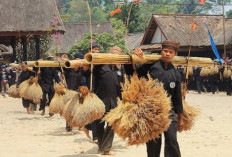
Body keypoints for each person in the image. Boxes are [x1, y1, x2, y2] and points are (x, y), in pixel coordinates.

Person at [126, 40, 184, 157]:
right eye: (165, 51)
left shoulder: (175, 73)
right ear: (161, 52)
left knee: (172, 139)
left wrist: (180, 117)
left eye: (170, 52)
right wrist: (133, 57)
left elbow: (177, 97)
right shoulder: (150, 66)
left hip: (169, 111)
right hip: (152, 111)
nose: (167, 54)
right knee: (153, 142)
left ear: (175, 54)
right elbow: (133, 73)